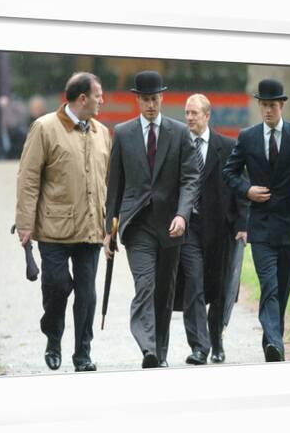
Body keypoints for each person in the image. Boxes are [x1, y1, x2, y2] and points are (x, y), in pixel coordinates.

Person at [15, 72, 111, 372]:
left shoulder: (102, 133)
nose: (102, 100)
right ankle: (53, 339)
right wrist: (24, 223)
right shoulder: (44, 128)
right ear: (82, 98)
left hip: (91, 230)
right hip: (53, 230)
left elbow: (108, 181)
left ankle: (82, 354)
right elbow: (28, 177)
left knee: (88, 295)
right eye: (98, 95)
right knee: (57, 288)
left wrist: (110, 226)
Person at [104, 71, 200, 368]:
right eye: (145, 99)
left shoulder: (179, 132)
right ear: (138, 100)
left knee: (164, 292)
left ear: (162, 98)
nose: (150, 105)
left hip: (170, 225)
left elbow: (190, 179)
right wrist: (109, 229)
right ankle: (147, 347)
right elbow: (115, 185)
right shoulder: (122, 133)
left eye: (154, 99)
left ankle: (159, 350)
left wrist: (183, 215)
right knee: (145, 285)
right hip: (137, 226)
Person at [222, 79, 290, 362]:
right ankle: (276, 345)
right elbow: (229, 172)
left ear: (281, 105)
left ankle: (271, 340)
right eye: (263, 105)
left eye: (272, 105)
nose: (267, 110)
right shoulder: (247, 137)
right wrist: (247, 190)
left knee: (282, 286)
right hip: (261, 227)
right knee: (269, 285)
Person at [174, 94, 249, 365]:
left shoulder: (227, 147)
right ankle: (199, 346)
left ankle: (216, 339)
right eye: (187, 113)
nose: (190, 118)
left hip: (220, 228)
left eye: (194, 113)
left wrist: (242, 224)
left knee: (218, 288)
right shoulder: (179, 144)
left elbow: (241, 187)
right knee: (193, 284)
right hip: (189, 226)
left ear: (207, 116)